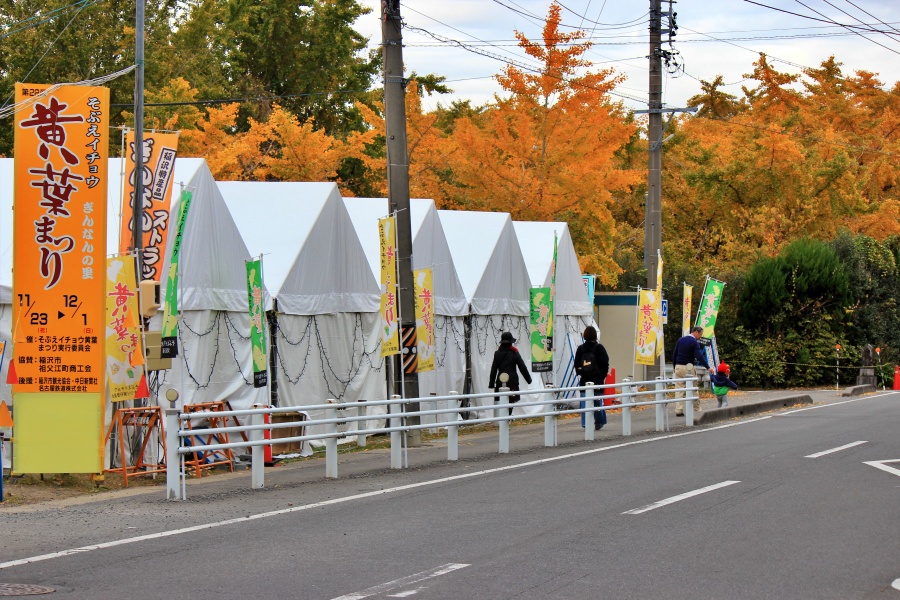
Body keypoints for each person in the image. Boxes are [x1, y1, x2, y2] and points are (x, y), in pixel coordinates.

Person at [573, 325, 610, 430]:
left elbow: (576, 364)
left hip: (585, 380)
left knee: (585, 403)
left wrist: (581, 373)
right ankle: (599, 422)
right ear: (595, 335)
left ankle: (585, 424)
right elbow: (605, 364)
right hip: (597, 380)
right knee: (598, 402)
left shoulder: (581, 349)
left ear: (584, 335)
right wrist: (602, 376)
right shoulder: (600, 348)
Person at [488, 331, 533, 416]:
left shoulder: (497, 353)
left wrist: (491, 383)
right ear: (510, 342)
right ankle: (507, 417)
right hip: (512, 381)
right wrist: (528, 379)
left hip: (500, 381)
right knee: (510, 401)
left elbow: (493, 369)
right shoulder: (514, 352)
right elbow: (522, 366)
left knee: (501, 401)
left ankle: (503, 418)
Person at [673, 326, 710, 416]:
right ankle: (696, 408)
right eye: (700, 334)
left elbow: (675, 353)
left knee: (679, 389)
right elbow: (699, 356)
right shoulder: (694, 342)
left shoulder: (680, 340)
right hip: (688, 367)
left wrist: (675, 367)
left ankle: (679, 410)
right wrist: (708, 367)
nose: (700, 337)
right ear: (696, 332)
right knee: (693, 388)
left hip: (678, 366)